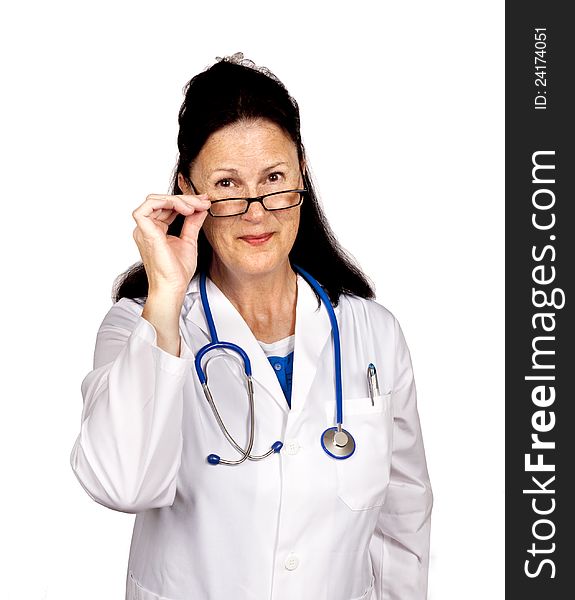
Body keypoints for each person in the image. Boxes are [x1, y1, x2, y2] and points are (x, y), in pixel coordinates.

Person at [70, 52, 433, 600]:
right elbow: (122, 484)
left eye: (274, 178)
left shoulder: (373, 332)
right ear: (187, 189)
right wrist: (166, 293)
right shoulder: (139, 328)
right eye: (226, 185)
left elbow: (403, 521)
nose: (256, 210)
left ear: (302, 173)